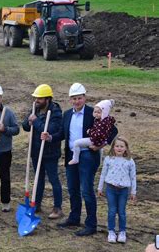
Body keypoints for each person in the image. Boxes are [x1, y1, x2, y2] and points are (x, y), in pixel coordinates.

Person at [44, 83, 118, 236]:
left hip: (88, 156)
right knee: (72, 188)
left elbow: (113, 130)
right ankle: (74, 217)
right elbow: (62, 134)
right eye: (74, 98)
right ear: (70, 99)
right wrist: (50, 137)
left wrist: (101, 145)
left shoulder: (94, 112)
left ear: (85, 98)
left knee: (86, 190)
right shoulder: (67, 114)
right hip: (72, 155)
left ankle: (91, 225)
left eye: (79, 98)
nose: (77, 101)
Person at [21, 84, 64, 219]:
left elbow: (50, 129)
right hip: (36, 150)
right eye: (35, 98)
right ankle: (36, 203)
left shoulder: (56, 112)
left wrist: (36, 121)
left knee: (53, 179)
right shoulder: (35, 109)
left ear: (47, 99)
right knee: (38, 179)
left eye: (39, 98)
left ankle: (58, 208)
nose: (36, 101)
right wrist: (29, 121)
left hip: (50, 152)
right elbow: (26, 126)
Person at [98, 136, 137, 244]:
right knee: (111, 211)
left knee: (121, 212)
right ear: (113, 147)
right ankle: (111, 231)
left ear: (126, 148)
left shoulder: (129, 161)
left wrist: (133, 191)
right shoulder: (108, 159)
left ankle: (122, 232)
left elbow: (133, 177)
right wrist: (100, 187)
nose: (119, 148)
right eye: (117, 146)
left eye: (122, 146)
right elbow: (103, 174)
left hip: (123, 190)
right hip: (111, 188)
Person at [69, 99, 116, 165]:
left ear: (104, 112)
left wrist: (90, 131)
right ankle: (99, 161)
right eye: (95, 112)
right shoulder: (105, 120)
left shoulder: (102, 123)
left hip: (95, 140)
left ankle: (75, 159)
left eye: (99, 112)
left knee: (76, 143)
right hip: (98, 141)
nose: (96, 114)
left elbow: (98, 134)